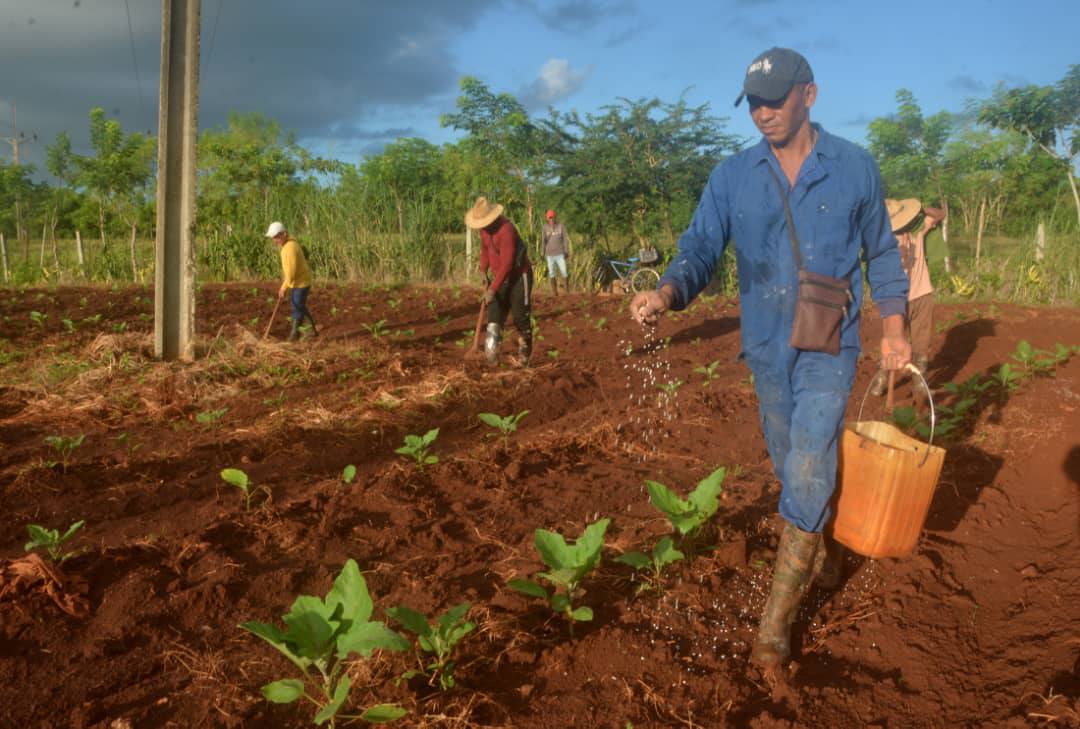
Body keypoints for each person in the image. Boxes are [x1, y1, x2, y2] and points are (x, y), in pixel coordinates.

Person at [629, 47, 911, 671]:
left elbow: (883, 257)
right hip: (764, 347)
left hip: (827, 345)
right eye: (753, 102)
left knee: (809, 463)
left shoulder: (855, 169)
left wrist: (895, 327)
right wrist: (667, 292)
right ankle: (826, 549)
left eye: (773, 99)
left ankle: (774, 626)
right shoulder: (732, 177)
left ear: (808, 95)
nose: (762, 113)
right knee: (792, 465)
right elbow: (700, 247)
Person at [870, 200, 944, 395]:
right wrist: (900, 254)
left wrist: (919, 208)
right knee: (893, 342)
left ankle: (920, 382)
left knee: (922, 342)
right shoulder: (884, 245)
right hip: (897, 300)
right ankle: (882, 376)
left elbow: (940, 214)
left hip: (922, 295)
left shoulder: (917, 231)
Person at [464, 197, 533, 365]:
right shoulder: (484, 230)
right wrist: (482, 270)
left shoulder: (506, 230)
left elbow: (507, 264)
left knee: (520, 318)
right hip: (499, 278)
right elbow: (485, 249)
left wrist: (492, 290)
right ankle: (492, 360)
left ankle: (524, 357)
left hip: (518, 277)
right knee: (494, 317)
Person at [265, 221, 317, 341]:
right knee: (299, 306)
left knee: (296, 307)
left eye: (277, 237)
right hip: (300, 281)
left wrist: (283, 287)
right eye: (273, 238)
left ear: (284, 234)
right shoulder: (290, 244)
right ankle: (311, 332)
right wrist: (285, 286)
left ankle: (294, 335)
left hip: (300, 282)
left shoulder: (289, 249)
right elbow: (290, 274)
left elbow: (291, 274)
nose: (275, 240)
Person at [541, 209, 571, 295]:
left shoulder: (561, 226)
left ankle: (566, 291)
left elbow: (565, 239)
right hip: (549, 254)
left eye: (552, 217)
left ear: (555, 217)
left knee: (564, 271)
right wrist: (542, 252)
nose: (551, 219)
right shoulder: (545, 227)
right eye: (549, 218)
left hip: (560, 253)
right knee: (551, 273)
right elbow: (543, 241)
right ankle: (554, 292)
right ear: (547, 218)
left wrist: (566, 250)